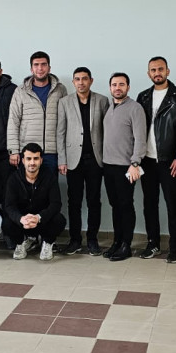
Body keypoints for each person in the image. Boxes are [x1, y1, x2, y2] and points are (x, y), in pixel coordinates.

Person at [137, 56, 176, 262]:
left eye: (160, 69)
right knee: (149, 204)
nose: (157, 73)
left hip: (169, 161)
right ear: (148, 73)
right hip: (147, 160)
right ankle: (152, 244)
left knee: (173, 205)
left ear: (167, 71)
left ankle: (175, 248)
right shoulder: (143, 96)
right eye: (153, 70)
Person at [57, 66, 109, 256]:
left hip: (95, 159)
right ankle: (75, 240)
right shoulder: (64, 102)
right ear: (73, 82)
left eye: (84, 78)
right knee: (74, 202)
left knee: (94, 200)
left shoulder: (102, 101)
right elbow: (60, 132)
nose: (81, 82)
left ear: (91, 80)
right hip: (73, 160)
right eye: (77, 79)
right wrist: (62, 159)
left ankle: (92, 240)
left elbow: (108, 130)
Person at [102, 73, 146, 262]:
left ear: (128, 87)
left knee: (126, 205)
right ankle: (117, 242)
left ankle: (126, 245)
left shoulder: (135, 108)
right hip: (108, 165)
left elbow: (140, 139)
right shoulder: (108, 107)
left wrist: (135, 163)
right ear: (110, 87)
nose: (117, 87)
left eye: (121, 84)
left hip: (126, 167)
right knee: (115, 205)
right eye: (114, 84)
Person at [2, 143, 65, 261]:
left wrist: (39, 217)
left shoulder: (49, 177)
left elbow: (56, 204)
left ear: (41, 160)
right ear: (23, 160)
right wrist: (21, 219)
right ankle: (21, 243)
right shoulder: (14, 178)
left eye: (36, 158)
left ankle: (47, 243)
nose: (32, 162)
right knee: (6, 223)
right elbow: (9, 206)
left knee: (59, 220)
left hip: (42, 221)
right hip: (23, 222)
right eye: (28, 159)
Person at [7, 51, 67, 174]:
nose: (40, 68)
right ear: (31, 69)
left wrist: (63, 156)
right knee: (26, 186)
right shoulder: (21, 91)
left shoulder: (60, 90)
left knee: (50, 185)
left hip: (52, 152)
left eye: (44, 64)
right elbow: (13, 121)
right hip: (28, 152)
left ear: (49, 68)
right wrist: (14, 150)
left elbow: (65, 122)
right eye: (36, 65)